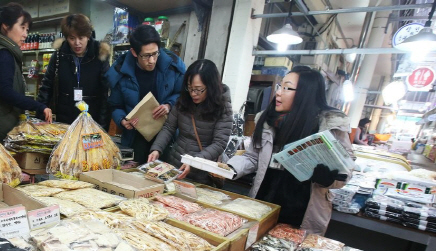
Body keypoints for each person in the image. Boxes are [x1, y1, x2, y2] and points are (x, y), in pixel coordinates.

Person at [227, 66, 354, 235]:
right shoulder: (267, 120)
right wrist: (230, 168)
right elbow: (252, 157)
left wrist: (328, 178)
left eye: (287, 88)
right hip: (264, 200)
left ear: (305, 93)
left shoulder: (330, 125)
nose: (278, 93)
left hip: (302, 210)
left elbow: (346, 170)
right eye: (280, 86)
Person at [0, 2, 52, 143]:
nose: (26, 34)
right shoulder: (2, 53)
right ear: (6, 26)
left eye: (27, 29)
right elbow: (5, 92)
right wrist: (39, 106)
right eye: (22, 27)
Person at [106, 24, 186, 163]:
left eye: (155, 53)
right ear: (134, 52)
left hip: (166, 136)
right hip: (135, 138)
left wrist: (169, 105)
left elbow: (182, 94)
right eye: (146, 56)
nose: (152, 60)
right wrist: (122, 120)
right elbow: (115, 105)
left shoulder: (172, 67)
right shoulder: (121, 72)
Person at [148, 59, 232, 183]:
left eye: (199, 89)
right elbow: (169, 128)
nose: (193, 94)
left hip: (202, 172)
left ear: (211, 87)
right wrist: (156, 149)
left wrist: (193, 162)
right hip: (176, 165)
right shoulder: (183, 100)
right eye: (190, 88)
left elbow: (219, 143)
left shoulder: (223, 107)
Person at [37, 14, 110, 128]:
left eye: (81, 38)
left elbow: (105, 93)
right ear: (66, 38)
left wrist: (103, 126)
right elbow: (46, 87)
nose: (77, 43)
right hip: (64, 119)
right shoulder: (59, 55)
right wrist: (40, 116)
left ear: (88, 36)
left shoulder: (100, 55)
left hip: (91, 119)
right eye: (72, 38)